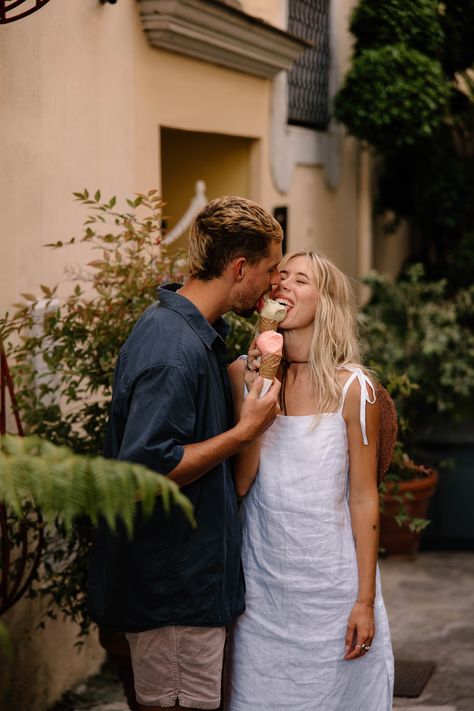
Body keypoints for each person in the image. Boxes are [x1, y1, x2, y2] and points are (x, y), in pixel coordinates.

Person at [88, 196, 284, 711]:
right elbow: (149, 469)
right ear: (240, 267)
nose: (273, 285)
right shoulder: (173, 350)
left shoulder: (196, 337)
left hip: (188, 588)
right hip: (171, 593)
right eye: (270, 271)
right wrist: (244, 433)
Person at [227, 250, 394, 711]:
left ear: (327, 303)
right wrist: (259, 391)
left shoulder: (354, 390)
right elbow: (240, 485)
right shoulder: (241, 374)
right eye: (279, 278)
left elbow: (363, 499)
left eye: (300, 280)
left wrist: (364, 600)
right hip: (263, 595)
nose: (283, 286)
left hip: (332, 592)